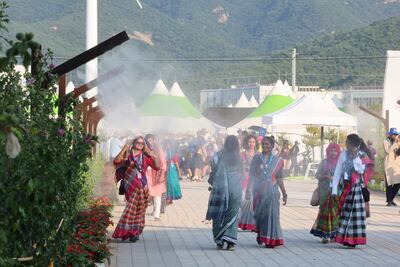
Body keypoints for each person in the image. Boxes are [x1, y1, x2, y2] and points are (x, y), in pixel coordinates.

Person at [112, 136, 160, 242]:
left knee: (140, 209)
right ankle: (126, 231)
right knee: (131, 208)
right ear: (133, 143)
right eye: (138, 142)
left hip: (143, 186)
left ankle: (135, 232)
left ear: (144, 146)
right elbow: (116, 161)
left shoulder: (146, 157)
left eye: (142, 143)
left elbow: (157, 167)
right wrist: (124, 148)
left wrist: (153, 154)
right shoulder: (128, 154)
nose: (139, 144)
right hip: (130, 185)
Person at [331, 134, 373, 248]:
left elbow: (363, 171)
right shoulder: (343, 155)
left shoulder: (362, 155)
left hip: (357, 189)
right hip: (345, 188)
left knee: (356, 216)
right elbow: (337, 172)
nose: (346, 144)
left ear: (353, 144)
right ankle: (345, 238)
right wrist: (334, 189)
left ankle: (353, 241)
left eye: (348, 143)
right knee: (345, 214)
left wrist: (355, 159)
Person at [248, 136, 287, 248]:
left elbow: (279, 178)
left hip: (272, 191)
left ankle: (270, 239)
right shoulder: (257, 158)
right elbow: (252, 174)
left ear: (272, 146)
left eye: (267, 144)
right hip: (258, 191)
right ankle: (260, 232)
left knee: (272, 214)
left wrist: (284, 193)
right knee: (259, 215)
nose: (265, 146)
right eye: (263, 144)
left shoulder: (277, 161)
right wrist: (248, 190)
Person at [206, 135, 243, 251]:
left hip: (219, 189)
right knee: (232, 215)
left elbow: (212, 170)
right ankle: (230, 242)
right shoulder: (238, 157)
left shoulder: (217, 156)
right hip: (235, 189)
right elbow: (241, 173)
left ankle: (219, 240)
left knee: (219, 214)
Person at [310, 143, 341, 243]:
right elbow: (317, 175)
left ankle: (334, 234)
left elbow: (343, 176)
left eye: (335, 151)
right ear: (328, 151)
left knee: (335, 214)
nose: (333, 153)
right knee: (324, 213)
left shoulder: (340, 163)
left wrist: (336, 179)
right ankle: (325, 235)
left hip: (336, 192)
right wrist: (325, 176)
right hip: (324, 191)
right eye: (331, 151)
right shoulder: (324, 162)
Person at [238, 134, 258, 231]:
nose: (251, 144)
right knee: (244, 201)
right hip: (243, 181)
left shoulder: (258, 155)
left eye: (253, 142)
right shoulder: (242, 154)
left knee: (254, 203)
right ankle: (243, 223)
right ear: (246, 142)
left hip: (256, 181)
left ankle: (253, 225)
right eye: (250, 142)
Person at [145, 134, 167, 221]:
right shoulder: (143, 149)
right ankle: (143, 212)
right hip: (146, 173)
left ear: (154, 140)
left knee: (157, 194)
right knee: (146, 193)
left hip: (156, 173)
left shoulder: (158, 149)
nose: (149, 142)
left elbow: (163, 162)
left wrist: (162, 175)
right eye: (147, 140)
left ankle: (157, 215)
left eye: (151, 140)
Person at [383, 128, 400, 206]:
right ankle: (389, 201)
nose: (395, 136)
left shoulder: (398, 142)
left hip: (396, 166)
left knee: (398, 183)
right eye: (394, 135)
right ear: (390, 135)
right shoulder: (385, 142)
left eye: (396, 135)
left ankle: (391, 199)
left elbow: (397, 153)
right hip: (388, 165)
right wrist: (395, 144)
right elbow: (388, 150)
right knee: (389, 184)